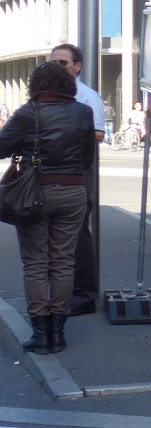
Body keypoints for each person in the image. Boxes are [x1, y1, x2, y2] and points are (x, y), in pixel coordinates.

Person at [0, 61, 95, 354]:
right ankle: (58, 333)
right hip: (73, 190)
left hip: (35, 193)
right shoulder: (83, 112)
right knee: (64, 261)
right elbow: (88, 157)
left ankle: (41, 334)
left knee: (36, 263)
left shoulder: (29, 113)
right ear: (67, 84)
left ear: (35, 86)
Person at [50, 43, 105, 317]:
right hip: (50, 172)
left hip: (78, 171)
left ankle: (83, 295)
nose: (56, 67)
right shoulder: (46, 95)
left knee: (77, 233)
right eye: (53, 62)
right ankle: (61, 292)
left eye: (62, 63)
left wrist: (61, 131)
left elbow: (98, 133)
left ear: (77, 66)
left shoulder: (86, 96)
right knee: (53, 236)